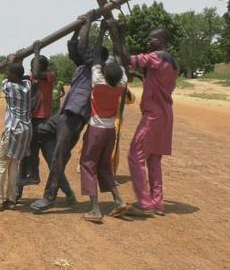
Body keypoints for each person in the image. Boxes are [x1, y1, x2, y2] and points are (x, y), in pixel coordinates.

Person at [31, 16, 108, 212]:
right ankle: (34, 173)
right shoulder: (83, 66)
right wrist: (77, 27)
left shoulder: (97, 69)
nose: (86, 53)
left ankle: (49, 197)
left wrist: (90, 23)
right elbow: (75, 47)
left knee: (59, 155)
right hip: (62, 115)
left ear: (97, 58)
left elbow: (83, 47)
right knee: (32, 134)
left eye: (91, 52)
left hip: (75, 117)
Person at [80, 25, 129, 223]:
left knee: (88, 164)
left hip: (96, 129)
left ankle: (95, 209)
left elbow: (98, 57)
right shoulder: (121, 83)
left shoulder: (98, 81)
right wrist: (116, 35)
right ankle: (118, 200)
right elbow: (119, 56)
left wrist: (102, 32)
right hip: (110, 131)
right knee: (104, 166)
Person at [127, 29, 178, 216]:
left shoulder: (154, 57)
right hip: (166, 115)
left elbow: (127, 58)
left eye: (153, 38)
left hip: (153, 116)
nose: (149, 41)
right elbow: (155, 78)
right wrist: (142, 76)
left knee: (135, 155)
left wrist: (118, 33)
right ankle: (157, 203)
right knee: (154, 160)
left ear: (162, 40)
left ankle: (145, 202)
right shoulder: (172, 61)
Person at [0, 57, 31, 211]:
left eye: (7, 72)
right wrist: (18, 61)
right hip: (26, 130)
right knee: (14, 164)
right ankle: (11, 199)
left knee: (0, 164)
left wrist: (10, 61)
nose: (5, 74)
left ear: (12, 76)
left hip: (13, 129)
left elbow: (5, 78)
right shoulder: (27, 86)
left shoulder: (8, 86)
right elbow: (21, 74)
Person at [18, 42, 56, 191]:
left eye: (33, 66)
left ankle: (35, 177)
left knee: (46, 157)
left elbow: (38, 74)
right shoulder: (31, 78)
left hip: (43, 121)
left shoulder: (49, 75)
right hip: (32, 120)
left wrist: (36, 51)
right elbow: (18, 75)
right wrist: (20, 60)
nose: (31, 70)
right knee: (30, 152)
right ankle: (25, 183)